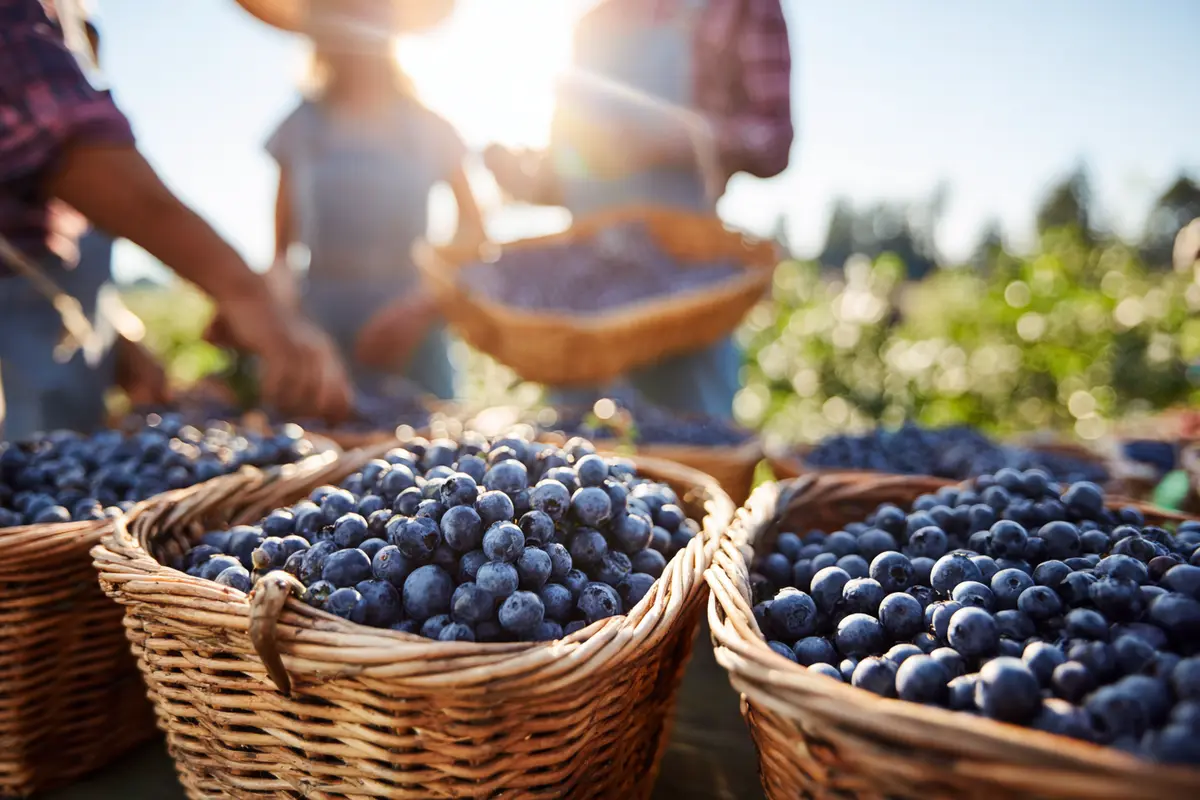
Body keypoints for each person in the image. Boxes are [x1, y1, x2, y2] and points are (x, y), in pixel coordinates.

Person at [0, 0, 352, 439]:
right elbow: (62, 138)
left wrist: (108, 333)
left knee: (60, 477)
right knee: (25, 476)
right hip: (13, 345)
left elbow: (37, 215)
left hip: (47, 316)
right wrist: (243, 290)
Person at [484, 0, 793, 420]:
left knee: (690, 448)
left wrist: (662, 142)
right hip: (581, 298)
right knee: (569, 461)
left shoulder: (737, 7)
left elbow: (773, 138)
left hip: (681, 288)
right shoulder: (590, 26)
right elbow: (571, 171)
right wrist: (524, 176)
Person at [242, 0, 484, 400]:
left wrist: (422, 306)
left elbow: (475, 230)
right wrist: (283, 321)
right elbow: (281, 255)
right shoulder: (299, 126)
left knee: (425, 445)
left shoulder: (430, 126)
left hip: (411, 331)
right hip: (320, 328)